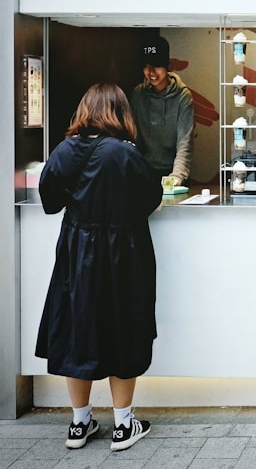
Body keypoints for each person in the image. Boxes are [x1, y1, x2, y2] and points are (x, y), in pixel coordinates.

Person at [36, 83, 163, 452]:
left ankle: (80, 423)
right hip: (124, 253)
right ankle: (123, 425)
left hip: (78, 254)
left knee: (79, 332)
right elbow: (151, 198)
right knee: (124, 331)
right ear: (122, 114)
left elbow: (48, 200)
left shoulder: (64, 151)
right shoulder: (125, 154)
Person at [130, 35, 194, 186]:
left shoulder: (183, 96)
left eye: (157, 65)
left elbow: (185, 142)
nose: (151, 72)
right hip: (144, 172)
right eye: (146, 65)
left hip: (174, 173)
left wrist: (177, 177)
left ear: (168, 66)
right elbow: (132, 138)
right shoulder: (138, 94)